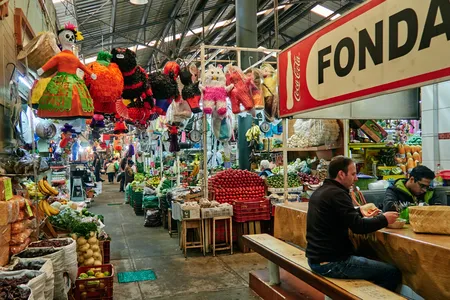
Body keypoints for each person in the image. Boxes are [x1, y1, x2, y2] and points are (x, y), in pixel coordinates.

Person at [306, 156, 401, 292]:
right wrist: (385, 219)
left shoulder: (322, 191)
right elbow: (359, 227)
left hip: (315, 258)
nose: (356, 178)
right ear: (341, 174)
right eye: (353, 174)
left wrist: (359, 211)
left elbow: (339, 215)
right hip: (331, 263)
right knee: (391, 273)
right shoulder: (337, 194)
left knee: (368, 259)